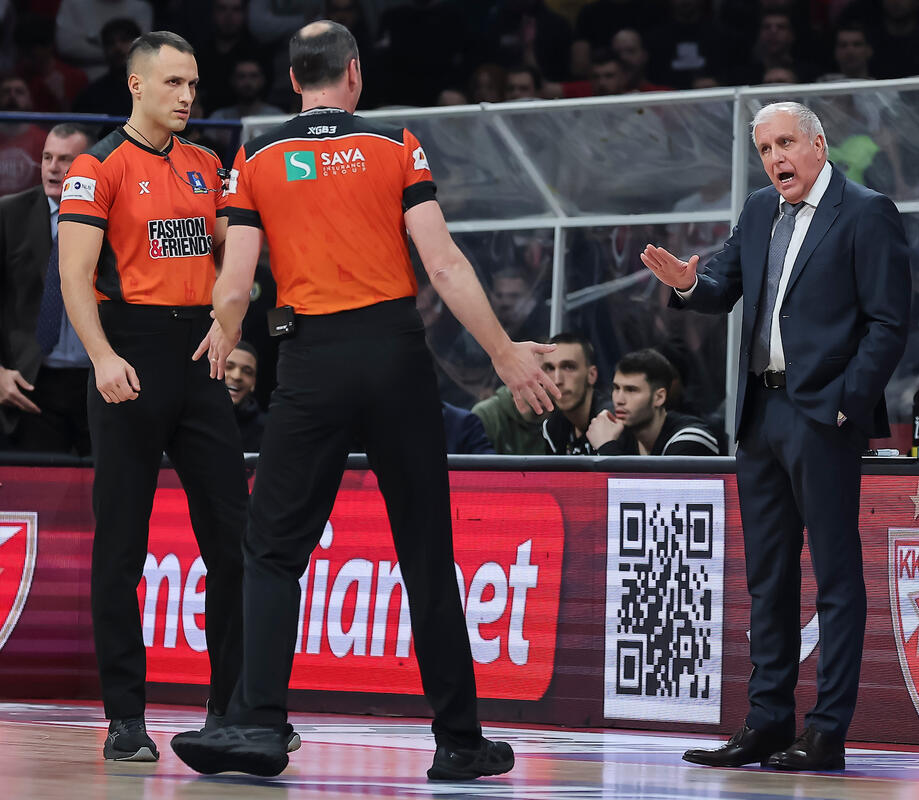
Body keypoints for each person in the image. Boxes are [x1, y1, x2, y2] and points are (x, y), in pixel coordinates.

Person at [169, 20, 556, 780]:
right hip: (394, 356)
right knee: (425, 551)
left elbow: (237, 280)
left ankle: (258, 726)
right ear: (353, 73)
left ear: (291, 80)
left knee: (272, 550)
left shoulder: (256, 157)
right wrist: (503, 353)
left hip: (310, 362)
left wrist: (224, 330)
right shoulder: (395, 145)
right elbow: (443, 264)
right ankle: (459, 741)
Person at [641, 101, 910, 771]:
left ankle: (826, 731)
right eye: (765, 149)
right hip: (761, 414)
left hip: (823, 415)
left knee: (835, 577)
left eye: (785, 143)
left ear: (819, 145)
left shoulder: (867, 211)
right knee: (767, 576)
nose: (775, 159)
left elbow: (888, 323)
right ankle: (767, 721)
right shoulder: (761, 209)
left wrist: (847, 405)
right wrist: (688, 285)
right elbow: (722, 285)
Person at [57, 31, 247, 762]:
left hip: (198, 355)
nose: (187, 95)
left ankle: (232, 708)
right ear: (136, 85)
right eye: (173, 82)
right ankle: (125, 719)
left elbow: (236, 253)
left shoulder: (207, 164)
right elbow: (74, 275)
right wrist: (102, 355)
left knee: (233, 539)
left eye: (193, 83)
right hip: (128, 353)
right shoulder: (97, 164)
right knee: (122, 547)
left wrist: (231, 321)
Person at [0, 124, 93, 454]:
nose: (53, 168)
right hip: (30, 382)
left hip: (99, 383)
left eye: (66, 159)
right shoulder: (9, 213)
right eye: (47, 157)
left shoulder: (116, 218)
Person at [586, 348, 720, 456]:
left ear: (659, 397)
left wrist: (606, 447)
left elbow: (660, 484)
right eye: (616, 388)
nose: (619, 400)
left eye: (631, 390)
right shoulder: (619, 435)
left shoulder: (690, 438)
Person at [541, 332, 607, 455]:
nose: (557, 380)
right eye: (550, 368)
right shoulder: (552, 427)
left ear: (591, 375)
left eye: (568, 367)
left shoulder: (613, 421)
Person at [225, 340, 266, 452]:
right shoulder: (191, 418)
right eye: (228, 367)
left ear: (254, 383)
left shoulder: (269, 430)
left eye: (247, 372)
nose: (237, 376)